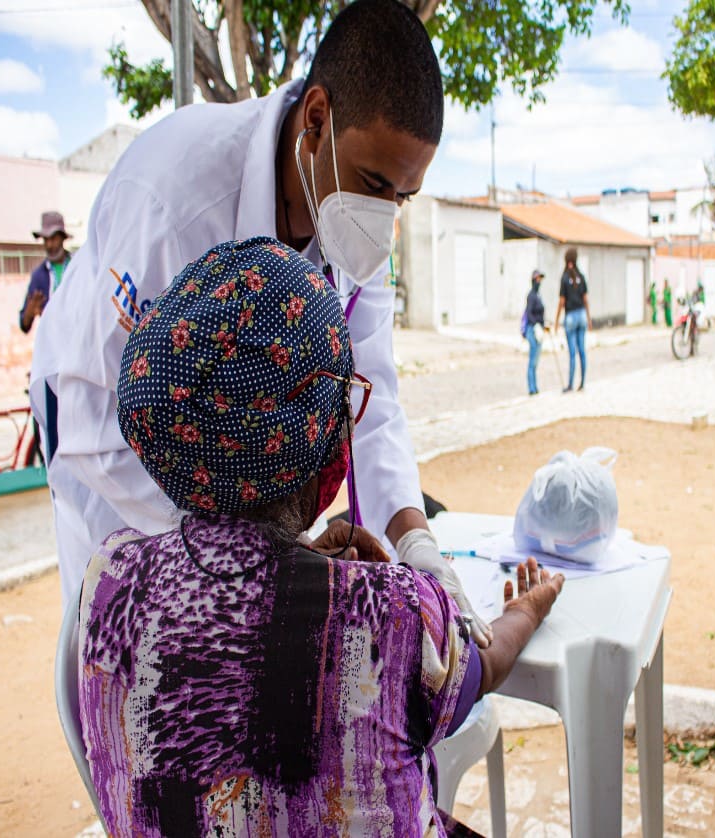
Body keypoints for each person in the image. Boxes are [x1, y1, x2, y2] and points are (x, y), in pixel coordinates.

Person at [28, 0, 490, 803]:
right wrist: (265, 551)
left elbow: (370, 397)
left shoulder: (356, 230)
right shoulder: (173, 200)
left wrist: (413, 538)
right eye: (377, 184)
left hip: (252, 508)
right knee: (139, 688)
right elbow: (104, 413)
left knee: (266, 723)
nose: (386, 217)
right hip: (105, 454)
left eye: (406, 197)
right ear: (316, 118)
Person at [77, 239, 565, 836]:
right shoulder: (387, 609)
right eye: (343, 405)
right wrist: (526, 607)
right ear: (318, 440)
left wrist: (300, 556)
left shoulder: (110, 575)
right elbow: (478, 673)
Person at [19, 211, 71, 333]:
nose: (49, 245)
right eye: (45, 240)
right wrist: (30, 312)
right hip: (52, 343)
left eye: (53, 239)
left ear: (62, 238)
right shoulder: (39, 275)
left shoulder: (77, 267)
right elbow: (24, 325)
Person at [555, 249, 589, 392]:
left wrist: (556, 321)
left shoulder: (564, 278)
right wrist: (589, 318)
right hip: (581, 315)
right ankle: (582, 383)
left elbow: (562, 301)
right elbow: (586, 300)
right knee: (582, 351)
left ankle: (570, 384)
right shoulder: (581, 276)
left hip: (570, 317)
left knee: (572, 353)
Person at [523, 269, 547, 395]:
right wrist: (537, 324)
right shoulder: (531, 296)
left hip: (539, 330)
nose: (539, 282)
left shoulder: (538, 295)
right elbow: (529, 313)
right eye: (537, 279)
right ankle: (531, 388)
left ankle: (535, 386)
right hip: (533, 330)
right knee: (532, 360)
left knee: (536, 360)